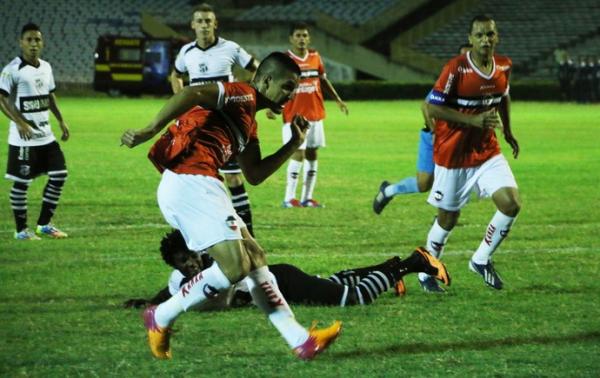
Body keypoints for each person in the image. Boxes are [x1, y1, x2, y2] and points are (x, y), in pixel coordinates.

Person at [120, 52, 341, 361]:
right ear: (265, 80)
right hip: (188, 182)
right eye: (287, 87)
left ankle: (301, 340)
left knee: (255, 257)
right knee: (235, 267)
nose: (291, 96)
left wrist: (293, 143)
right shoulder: (241, 94)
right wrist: (149, 129)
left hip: (207, 184)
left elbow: (255, 175)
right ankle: (161, 316)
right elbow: (192, 91)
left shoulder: (249, 122)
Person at [418, 15, 521, 292]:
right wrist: (473, 121)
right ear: (471, 38)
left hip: (487, 150)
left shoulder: (504, 65)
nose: (485, 40)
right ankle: (427, 270)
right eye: (480, 35)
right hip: (453, 154)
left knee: (511, 204)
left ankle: (481, 259)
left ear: (496, 36)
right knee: (448, 218)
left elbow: (504, 97)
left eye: (490, 34)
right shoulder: (455, 69)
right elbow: (433, 108)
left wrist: (508, 131)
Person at [124, 230, 451, 309]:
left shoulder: (215, 265)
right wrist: (149, 303)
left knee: (354, 300)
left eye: (192, 255)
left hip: (283, 282)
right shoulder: (180, 279)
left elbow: (219, 301)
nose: (192, 262)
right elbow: (170, 292)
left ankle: (413, 263)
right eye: (184, 261)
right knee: (335, 282)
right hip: (278, 286)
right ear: (175, 265)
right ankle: (388, 269)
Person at [171, 3, 259, 235]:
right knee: (197, 178)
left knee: (234, 179)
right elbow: (176, 75)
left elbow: (256, 69)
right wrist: (181, 101)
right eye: (199, 21)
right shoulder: (186, 52)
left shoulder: (230, 48)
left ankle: (248, 232)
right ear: (193, 25)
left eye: (208, 21)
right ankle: (206, 231)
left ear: (215, 24)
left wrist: (255, 97)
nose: (204, 25)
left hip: (225, 124)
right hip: (197, 126)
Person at [373, 43, 472, 215]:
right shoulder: (449, 80)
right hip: (433, 137)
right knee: (423, 184)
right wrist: (434, 131)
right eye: (463, 58)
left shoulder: (478, 85)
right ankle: (388, 191)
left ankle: (442, 219)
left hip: (455, 140)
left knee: (454, 180)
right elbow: (426, 107)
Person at [0, 23, 70, 240]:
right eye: (29, 40)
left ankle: (44, 224)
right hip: (23, 140)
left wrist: (61, 121)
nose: (33, 44)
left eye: (37, 40)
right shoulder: (12, 70)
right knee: (22, 183)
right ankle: (21, 230)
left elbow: (50, 96)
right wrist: (20, 123)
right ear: (21, 42)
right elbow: (1, 99)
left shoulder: (46, 67)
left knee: (59, 175)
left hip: (46, 136)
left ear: (43, 43)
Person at [274, 22, 349, 208]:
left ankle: (307, 197)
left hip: (315, 114)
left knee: (312, 153)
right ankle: (289, 198)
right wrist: (271, 106)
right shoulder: (285, 59)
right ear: (291, 38)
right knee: (297, 153)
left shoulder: (315, 57)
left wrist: (338, 99)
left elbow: (323, 80)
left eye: (304, 35)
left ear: (309, 38)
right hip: (294, 116)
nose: (301, 39)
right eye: (298, 35)